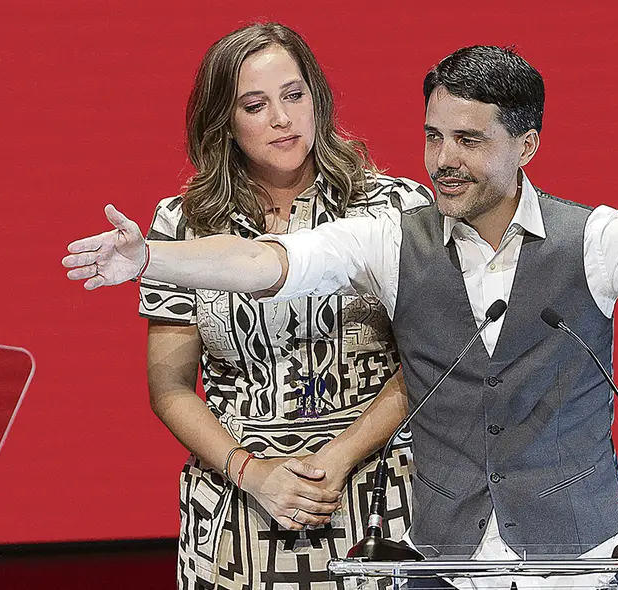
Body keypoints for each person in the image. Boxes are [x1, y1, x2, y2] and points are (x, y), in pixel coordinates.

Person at [65, 45, 618, 586]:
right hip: (442, 559)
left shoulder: (596, 239)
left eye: (469, 140)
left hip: (575, 559)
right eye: (433, 135)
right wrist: (152, 258)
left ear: (527, 143)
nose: (443, 159)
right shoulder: (390, 235)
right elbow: (269, 264)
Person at [128, 23, 429, 589]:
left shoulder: (396, 208)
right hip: (238, 502)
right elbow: (169, 388)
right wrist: (254, 473)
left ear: (318, 98)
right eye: (255, 105)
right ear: (224, 120)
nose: (282, 119)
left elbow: (427, 364)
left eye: (294, 95)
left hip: (380, 491)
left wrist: (337, 458)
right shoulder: (184, 225)